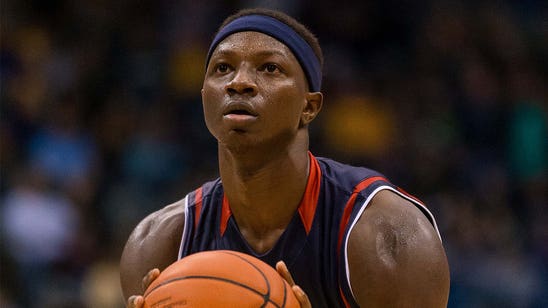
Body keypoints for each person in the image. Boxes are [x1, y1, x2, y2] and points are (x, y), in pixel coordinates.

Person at [120, 8, 450, 307]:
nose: (240, 82)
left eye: (269, 68)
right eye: (223, 68)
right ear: (205, 96)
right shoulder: (158, 245)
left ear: (310, 106)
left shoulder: (387, 236)